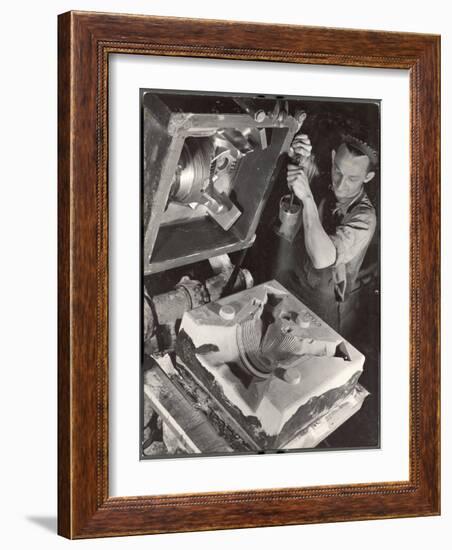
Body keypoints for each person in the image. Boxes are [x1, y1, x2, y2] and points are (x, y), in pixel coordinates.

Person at [282, 132, 378, 331]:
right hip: (295, 278)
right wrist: (298, 153)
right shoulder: (324, 177)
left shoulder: (365, 217)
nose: (341, 184)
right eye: (338, 171)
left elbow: (322, 258)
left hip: (324, 302)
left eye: (353, 178)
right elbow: (303, 167)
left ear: (368, 177)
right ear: (334, 157)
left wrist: (308, 198)